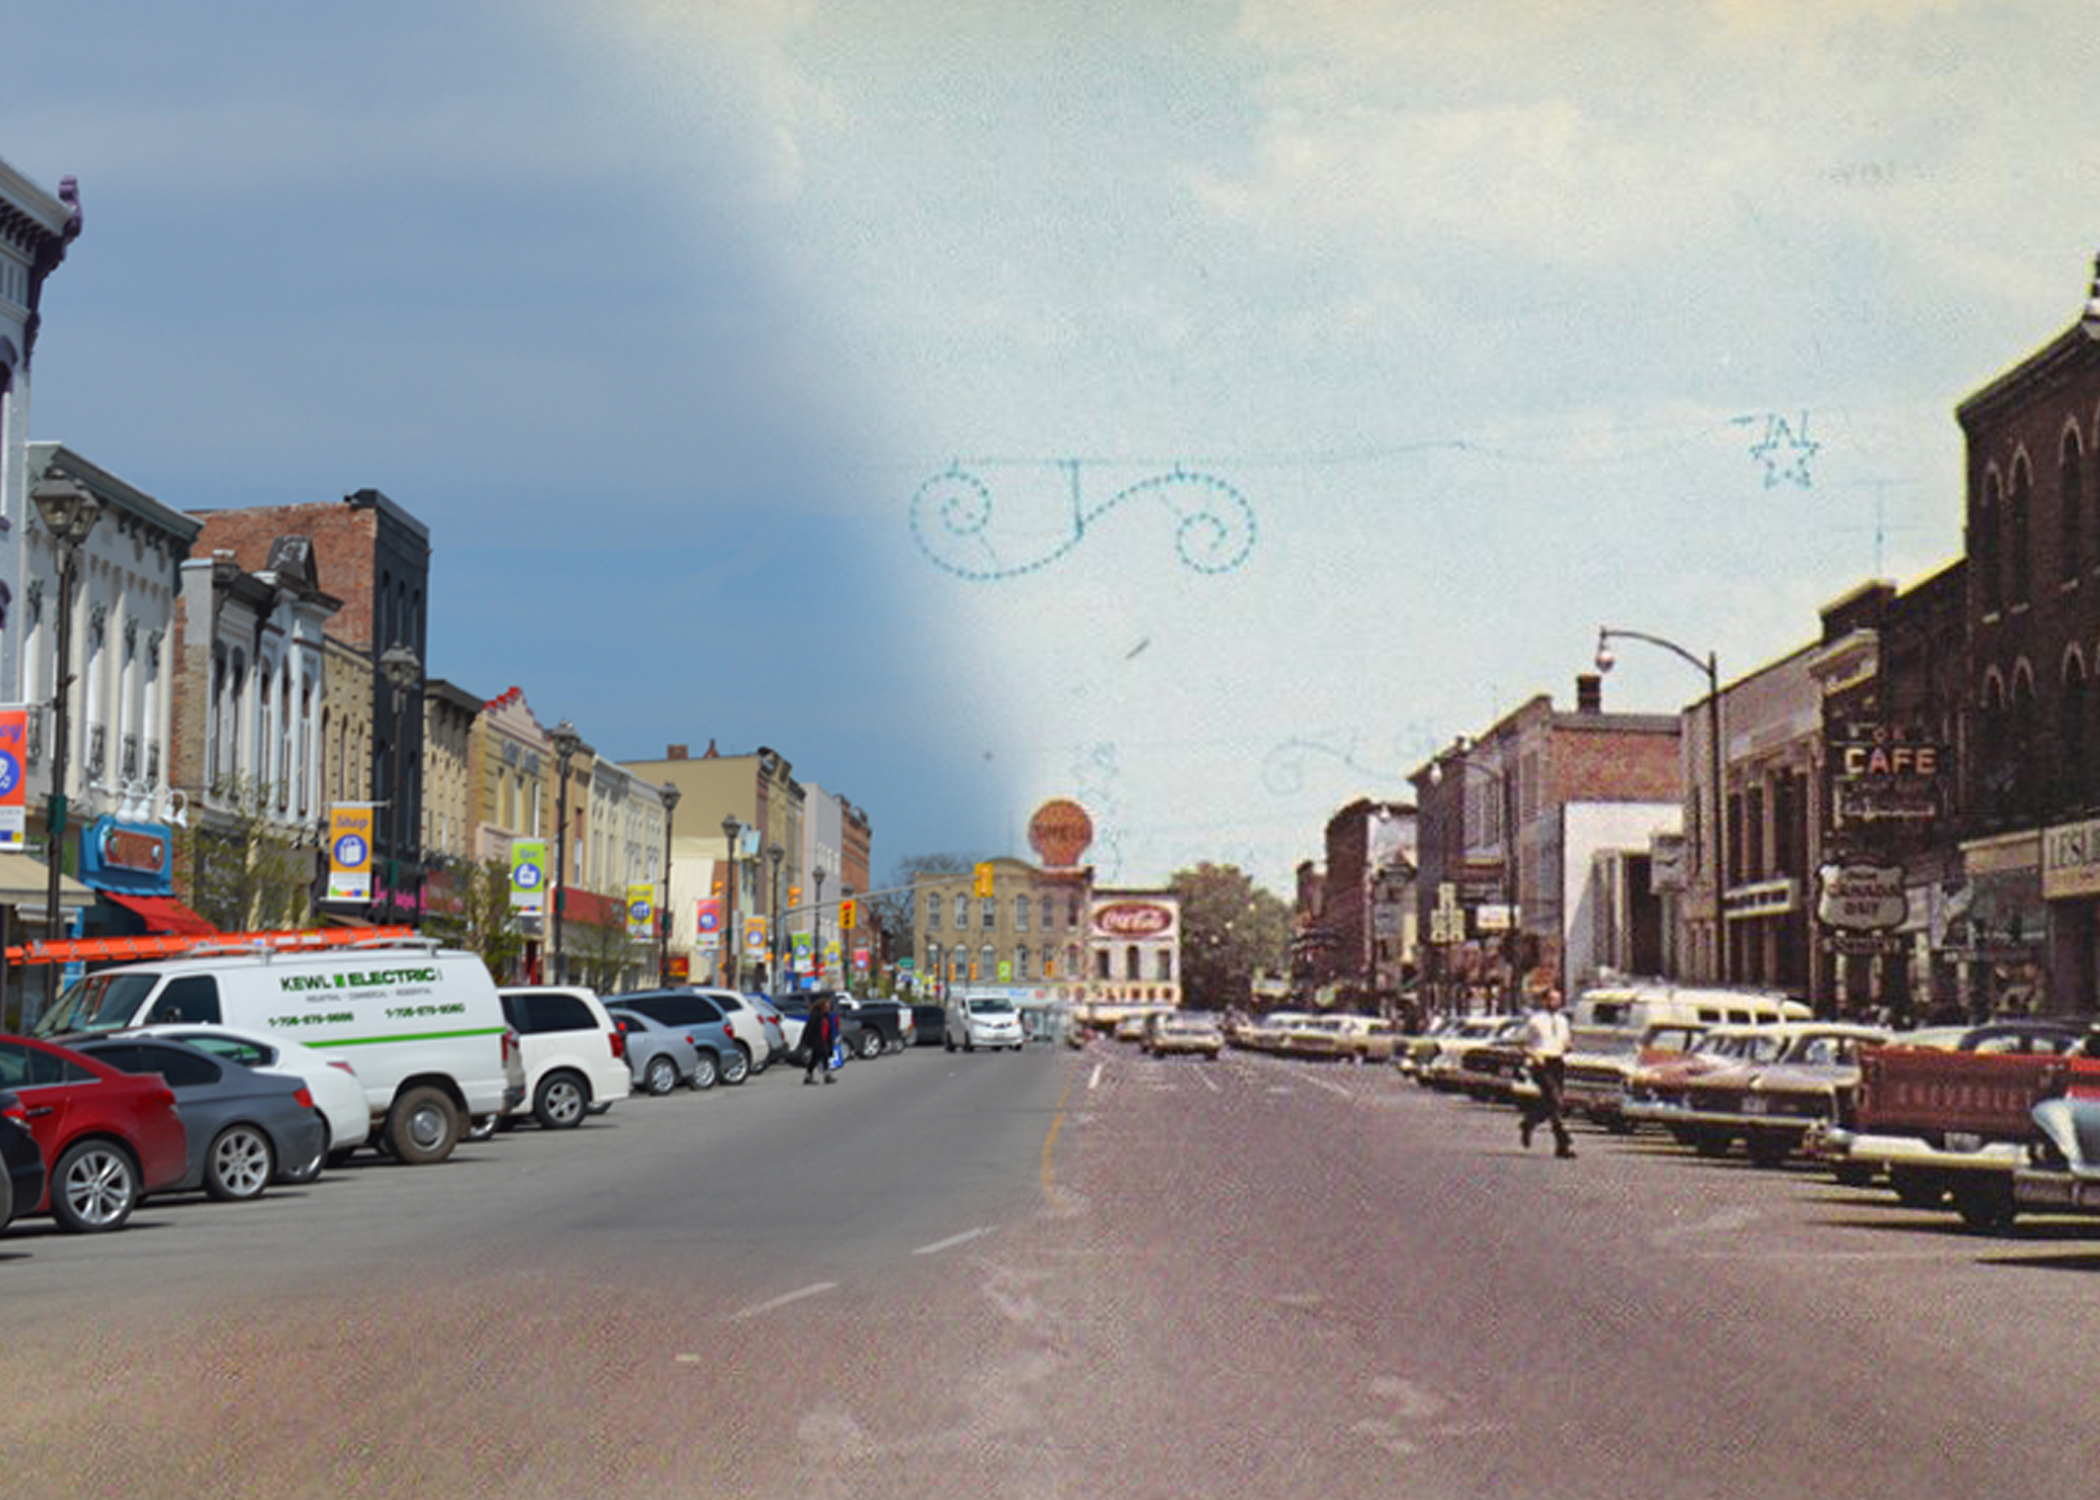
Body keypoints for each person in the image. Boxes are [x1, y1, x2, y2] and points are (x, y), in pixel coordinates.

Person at [1518, 981, 1574, 1159]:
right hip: (1541, 1062)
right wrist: (1534, 1056)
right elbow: (1522, 1044)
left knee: (1552, 1102)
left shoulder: (1563, 1020)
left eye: (1558, 1000)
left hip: (1557, 1061)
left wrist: (1567, 1046)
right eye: (1552, 1000)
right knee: (1554, 1098)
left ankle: (1529, 1122)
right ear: (1544, 1002)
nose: (1555, 1003)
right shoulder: (1536, 1020)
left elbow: (1565, 1041)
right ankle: (1563, 1141)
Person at [803, 993, 837, 1085]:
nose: (829, 1007)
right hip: (817, 1040)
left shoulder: (826, 1016)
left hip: (824, 1040)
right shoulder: (816, 1015)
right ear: (822, 1006)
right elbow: (811, 1028)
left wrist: (830, 1040)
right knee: (819, 1058)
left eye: (829, 1005)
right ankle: (820, 1076)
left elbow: (828, 1029)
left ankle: (817, 1076)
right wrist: (809, 1040)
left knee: (820, 1058)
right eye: (827, 1005)